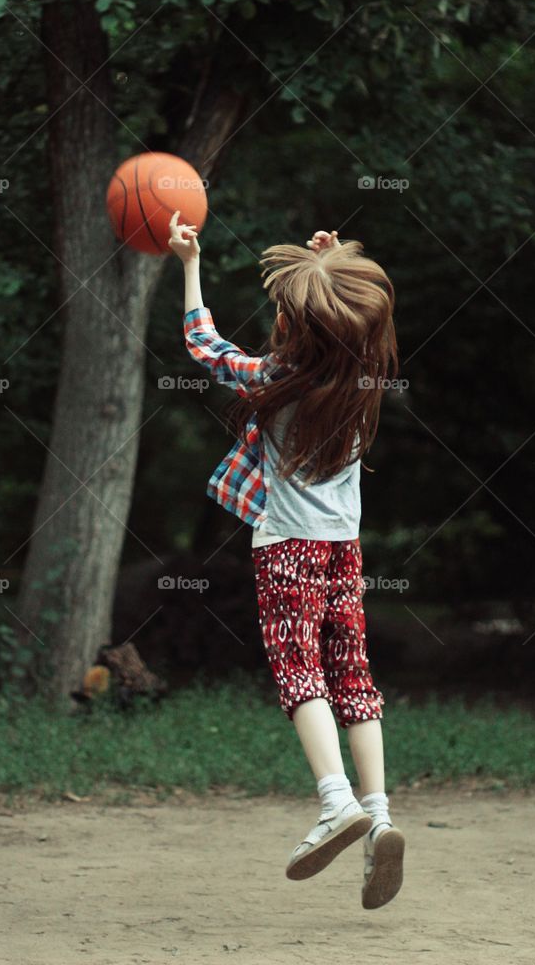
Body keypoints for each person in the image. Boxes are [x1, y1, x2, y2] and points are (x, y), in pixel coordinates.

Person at [169, 211, 405, 910]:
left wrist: (188, 262)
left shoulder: (272, 379)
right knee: (353, 675)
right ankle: (380, 814)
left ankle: (335, 802)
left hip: (286, 548)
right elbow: (351, 316)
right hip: (342, 550)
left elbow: (201, 343)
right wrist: (322, 265)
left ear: (294, 328)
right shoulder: (363, 376)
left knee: (299, 671)